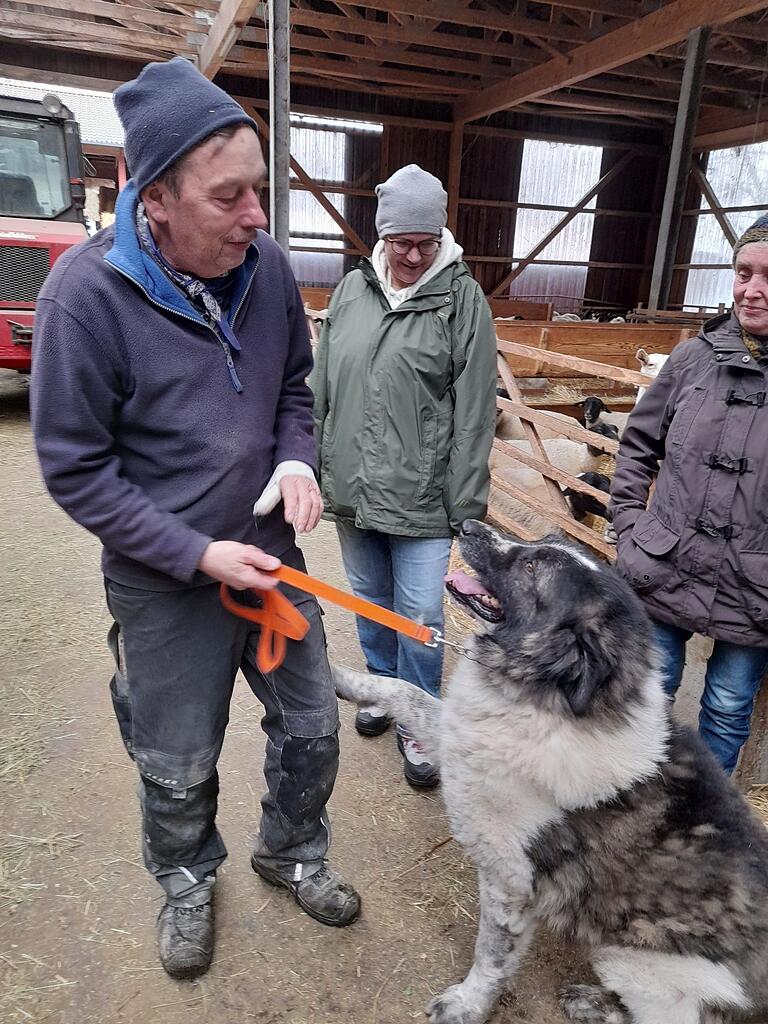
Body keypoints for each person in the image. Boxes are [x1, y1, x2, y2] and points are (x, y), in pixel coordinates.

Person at [30, 57, 360, 982]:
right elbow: (76, 467)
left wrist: (296, 454)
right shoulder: (84, 299)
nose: (258, 214)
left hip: (268, 560)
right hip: (166, 583)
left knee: (313, 726)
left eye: (261, 188)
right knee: (176, 756)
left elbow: (294, 386)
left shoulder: (269, 271)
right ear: (155, 196)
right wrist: (191, 552)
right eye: (230, 197)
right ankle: (185, 876)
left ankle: (290, 851)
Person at [310, 164, 497, 788]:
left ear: (441, 233)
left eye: (424, 241)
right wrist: (311, 463)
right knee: (369, 599)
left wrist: (464, 508)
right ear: (380, 237)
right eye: (400, 242)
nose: (413, 254)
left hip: (423, 498)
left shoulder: (462, 300)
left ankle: (418, 718)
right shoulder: (352, 291)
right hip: (355, 487)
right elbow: (322, 385)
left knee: (420, 615)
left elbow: (474, 411)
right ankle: (382, 693)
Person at [610, 212, 768, 775]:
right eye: (743, 272)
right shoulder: (692, 359)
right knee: (649, 692)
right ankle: (635, 801)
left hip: (755, 584)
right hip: (666, 563)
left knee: (727, 706)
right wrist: (629, 527)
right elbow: (636, 445)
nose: (752, 290)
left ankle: (707, 816)